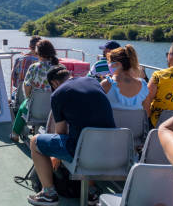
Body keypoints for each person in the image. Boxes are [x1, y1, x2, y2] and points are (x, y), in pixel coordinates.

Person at [27, 65, 115, 206]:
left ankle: (48, 194)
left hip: (83, 151)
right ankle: (91, 192)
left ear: (54, 83)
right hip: (111, 148)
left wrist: (56, 155)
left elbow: (61, 132)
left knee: (35, 142)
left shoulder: (57, 94)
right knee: (87, 142)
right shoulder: (92, 81)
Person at [10, 39, 58, 142]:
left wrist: (28, 98)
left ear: (38, 53)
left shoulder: (34, 68)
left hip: (35, 111)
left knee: (23, 106)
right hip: (53, 111)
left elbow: (26, 86)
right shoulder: (59, 67)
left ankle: (15, 134)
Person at [100, 44, 150, 115]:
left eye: (109, 62)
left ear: (118, 64)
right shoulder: (143, 85)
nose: (108, 64)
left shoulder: (106, 84)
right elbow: (147, 113)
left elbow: (98, 109)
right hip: (136, 126)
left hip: (112, 126)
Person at [11, 35, 41, 104]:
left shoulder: (19, 60)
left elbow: (14, 79)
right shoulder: (44, 63)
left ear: (29, 47)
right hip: (39, 100)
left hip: (21, 98)